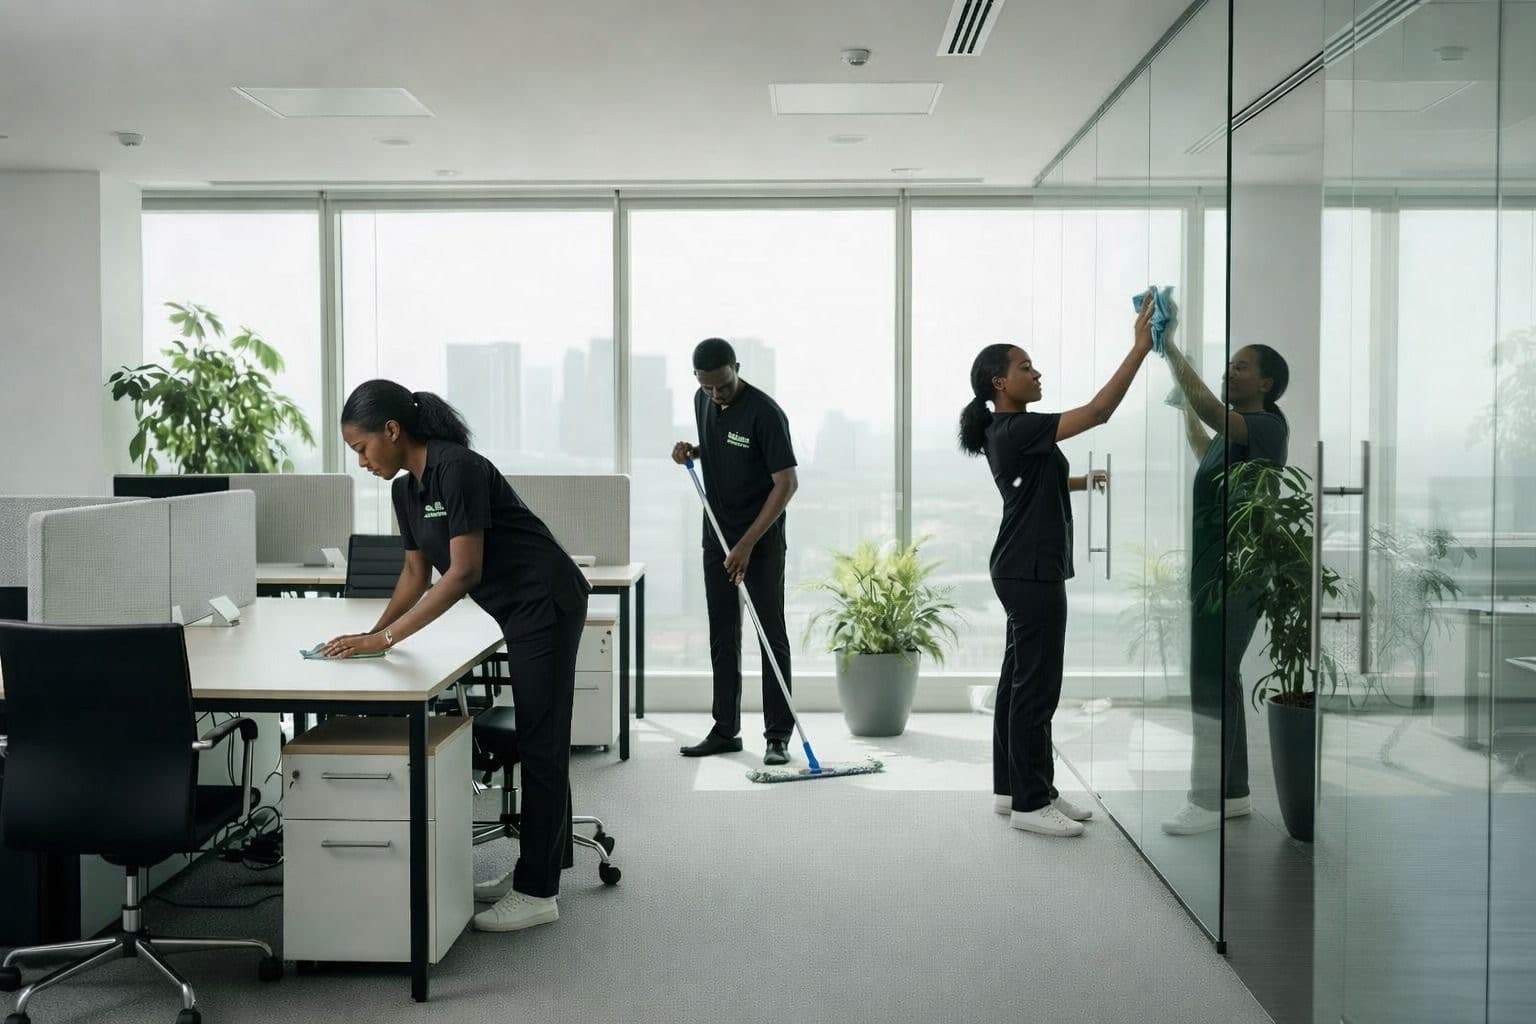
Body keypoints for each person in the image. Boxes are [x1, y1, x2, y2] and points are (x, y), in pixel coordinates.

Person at [323, 379, 592, 931]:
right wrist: (369, 637)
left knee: (542, 738)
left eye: (362, 449)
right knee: (542, 734)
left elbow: (464, 571)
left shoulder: (458, 467)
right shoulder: (406, 491)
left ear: (392, 431)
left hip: (545, 597)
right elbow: (415, 574)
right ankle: (541, 864)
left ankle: (538, 892)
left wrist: (387, 641)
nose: (362, 462)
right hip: (516, 606)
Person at [958, 295, 1156, 837]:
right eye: (1025, 366)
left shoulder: (1010, 433)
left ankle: (1019, 790)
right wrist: (1139, 348)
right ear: (999, 382)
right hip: (1031, 571)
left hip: (1022, 566)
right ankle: (1029, 804)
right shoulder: (1016, 427)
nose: (1036, 372)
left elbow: (1031, 484)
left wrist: (1079, 483)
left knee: (1018, 680)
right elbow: (1098, 412)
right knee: (1036, 687)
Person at [1157, 339, 1291, 836]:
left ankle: (1206, 797)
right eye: (1229, 365)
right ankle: (1231, 793)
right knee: (1222, 676)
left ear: (1266, 383)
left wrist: (1170, 349)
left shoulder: (1266, 426)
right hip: (1217, 571)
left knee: (1210, 678)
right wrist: (1185, 411)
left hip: (1241, 572)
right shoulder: (1233, 433)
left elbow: (1214, 412)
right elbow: (1205, 446)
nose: (1230, 372)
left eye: (1242, 367)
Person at [670, 338, 800, 766]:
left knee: (769, 634)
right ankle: (726, 729)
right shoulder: (702, 400)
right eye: (707, 387)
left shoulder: (766, 413)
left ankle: (778, 736)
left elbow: (786, 483)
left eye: (722, 385)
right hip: (717, 536)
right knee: (723, 634)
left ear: (736, 368)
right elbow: (724, 446)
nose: (716, 394)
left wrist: (747, 544)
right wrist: (693, 452)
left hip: (758, 542)